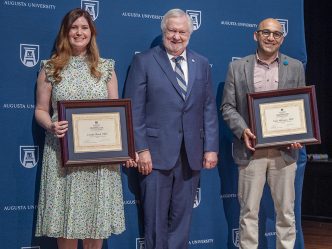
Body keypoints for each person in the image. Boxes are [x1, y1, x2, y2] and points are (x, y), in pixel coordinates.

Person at [34, 8, 136, 249]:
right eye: (74, 27)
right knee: (65, 224)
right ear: (65, 32)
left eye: (84, 28)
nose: (79, 32)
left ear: (92, 33)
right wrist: (51, 125)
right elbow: (40, 109)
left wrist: (125, 148)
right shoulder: (50, 68)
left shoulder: (106, 68)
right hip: (63, 156)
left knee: (95, 223)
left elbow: (116, 114)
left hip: (99, 158)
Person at [125, 8, 219, 249]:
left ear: (190, 33)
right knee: (154, 218)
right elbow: (133, 110)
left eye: (182, 31)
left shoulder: (202, 63)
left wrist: (211, 148)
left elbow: (208, 108)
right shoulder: (144, 61)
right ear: (163, 31)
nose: (177, 36)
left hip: (191, 154)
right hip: (155, 155)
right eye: (172, 30)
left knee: (182, 219)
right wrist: (141, 148)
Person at [221, 18, 305, 249]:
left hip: (284, 152)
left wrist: (299, 132)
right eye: (266, 32)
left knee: (286, 212)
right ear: (255, 35)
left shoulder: (295, 66)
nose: (271, 38)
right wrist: (243, 130)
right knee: (248, 211)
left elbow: (300, 105)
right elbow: (227, 107)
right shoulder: (237, 68)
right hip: (251, 151)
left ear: (282, 39)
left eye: (276, 34)